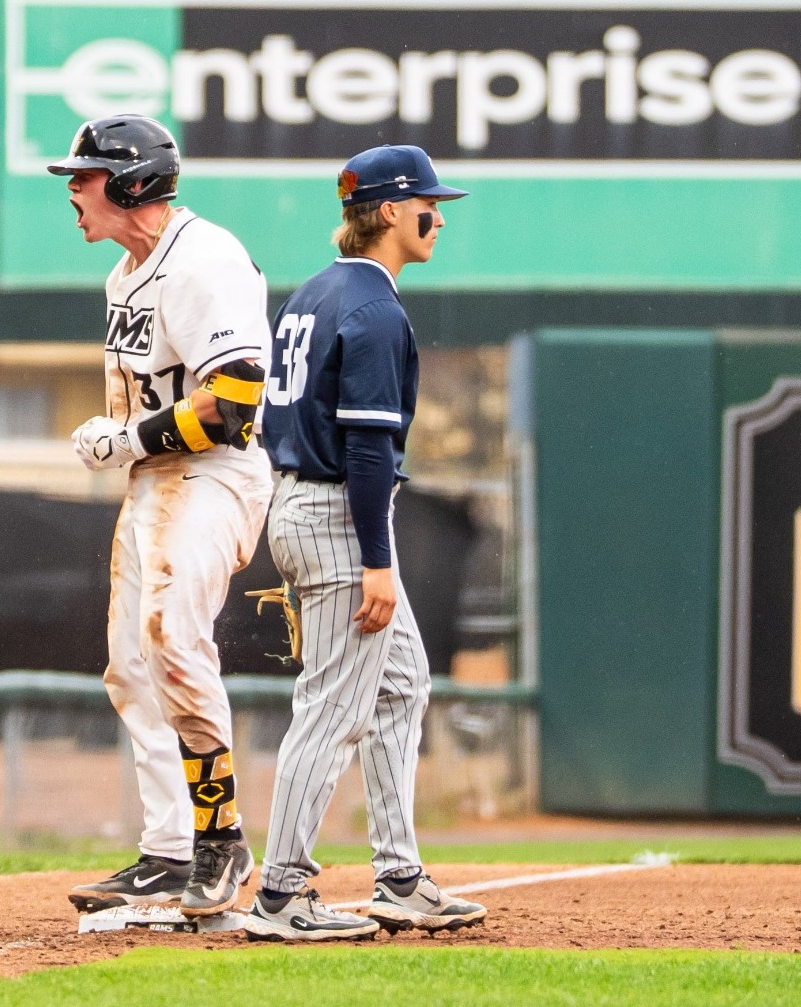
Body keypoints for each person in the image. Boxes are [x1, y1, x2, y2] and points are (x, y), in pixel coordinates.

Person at [243, 145, 489, 940]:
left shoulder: (316, 290)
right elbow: (368, 451)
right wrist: (378, 560)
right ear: (388, 211)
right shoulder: (376, 309)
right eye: (426, 204)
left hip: (299, 501)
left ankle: (398, 876)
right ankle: (280, 891)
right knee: (330, 710)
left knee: (401, 682)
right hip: (335, 518)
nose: (437, 216)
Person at [51, 114, 272, 917]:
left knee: (173, 639)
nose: (73, 189)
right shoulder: (123, 273)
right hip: (156, 476)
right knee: (129, 662)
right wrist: (127, 444)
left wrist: (128, 438)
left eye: (85, 175)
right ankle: (168, 848)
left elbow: (237, 401)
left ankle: (221, 839)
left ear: (131, 181)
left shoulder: (203, 258)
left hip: (213, 472)